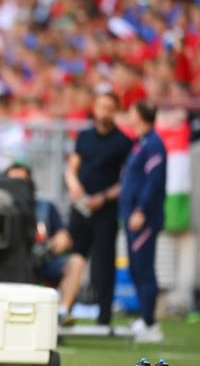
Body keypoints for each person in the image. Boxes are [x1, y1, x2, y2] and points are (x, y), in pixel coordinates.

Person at [65, 92, 133, 326]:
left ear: (115, 111)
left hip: (105, 210)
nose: (104, 112)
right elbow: (72, 167)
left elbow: (126, 180)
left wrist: (103, 197)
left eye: (109, 107)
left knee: (104, 262)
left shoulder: (124, 142)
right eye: (100, 106)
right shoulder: (83, 136)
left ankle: (104, 316)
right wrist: (74, 185)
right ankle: (65, 309)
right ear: (94, 108)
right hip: (81, 207)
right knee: (74, 256)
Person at [3, 163, 85, 326]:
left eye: (22, 181)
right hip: (9, 264)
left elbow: (63, 235)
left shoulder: (45, 207)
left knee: (76, 262)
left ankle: (62, 313)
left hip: (41, 261)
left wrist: (61, 239)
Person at [120, 101, 167, 343]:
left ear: (139, 115)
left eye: (131, 111)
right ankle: (145, 317)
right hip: (131, 216)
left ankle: (152, 324)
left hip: (144, 218)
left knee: (145, 269)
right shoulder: (141, 143)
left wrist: (140, 210)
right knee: (136, 268)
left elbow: (154, 181)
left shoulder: (155, 144)